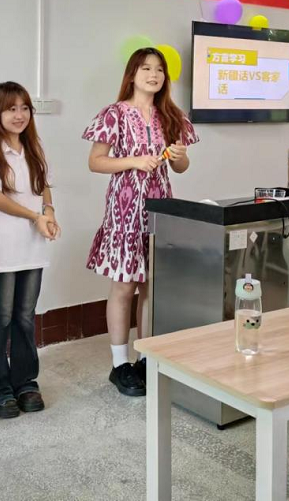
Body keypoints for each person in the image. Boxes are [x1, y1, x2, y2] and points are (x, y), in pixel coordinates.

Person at [83, 47, 197, 397]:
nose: (154, 75)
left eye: (159, 69)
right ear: (132, 75)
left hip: (160, 208)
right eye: (146, 68)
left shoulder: (172, 115)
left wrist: (178, 157)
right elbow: (96, 162)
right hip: (124, 209)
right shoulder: (114, 114)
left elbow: (181, 167)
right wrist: (133, 161)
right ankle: (120, 365)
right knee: (124, 286)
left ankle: (146, 358)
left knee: (152, 286)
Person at [0, 82, 60, 419]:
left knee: (25, 316)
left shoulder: (33, 146)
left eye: (24, 108)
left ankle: (25, 382)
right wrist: (35, 217)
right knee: (0, 317)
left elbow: (44, 186)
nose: (19, 115)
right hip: (1, 245)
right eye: (11, 109)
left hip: (31, 243)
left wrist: (49, 213)